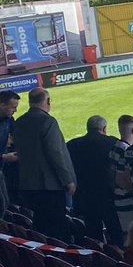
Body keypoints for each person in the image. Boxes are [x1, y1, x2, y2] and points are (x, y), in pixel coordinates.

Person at [12, 88, 75, 241]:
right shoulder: (47, 121)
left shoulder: (19, 122)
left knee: (40, 225)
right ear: (47, 102)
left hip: (27, 184)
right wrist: (68, 180)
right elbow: (55, 154)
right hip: (49, 186)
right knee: (56, 227)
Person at [67, 115, 120, 244]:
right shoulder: (113, 143)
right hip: (108, 195)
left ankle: (97, 260)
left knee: (93, 235)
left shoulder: (72, 145)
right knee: (115, 233)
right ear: (104, 128)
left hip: (84, 196)